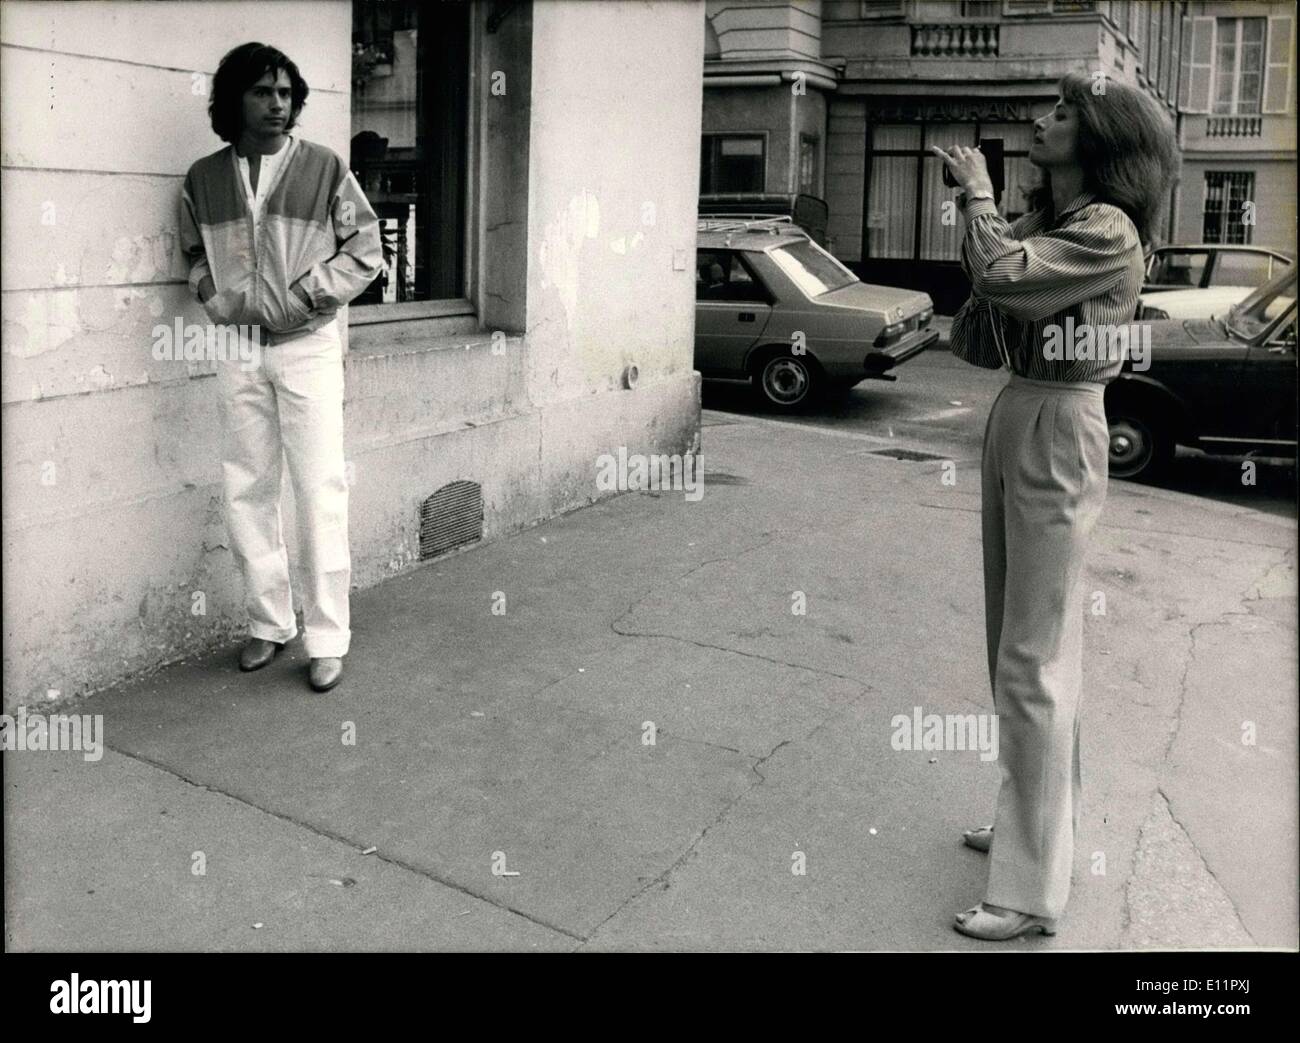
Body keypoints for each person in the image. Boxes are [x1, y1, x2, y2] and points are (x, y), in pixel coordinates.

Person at [932, 72, 1178, 941]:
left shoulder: (1108, 229)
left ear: (1103, 138)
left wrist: (981, 206)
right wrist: (993, 231)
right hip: (1020, 407)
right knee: (1019, 642)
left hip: (1059, 420)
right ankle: (1033, 824)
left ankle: (1029, 891)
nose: (1044, 120)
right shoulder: (1061, 223)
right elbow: (979, 328)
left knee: (1035, 656)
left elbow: (1000, 275)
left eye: (1066, 112)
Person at [180, 43, 383, 692]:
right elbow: (191, 253)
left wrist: (304, 295)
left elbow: (366, 250)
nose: (278, 104)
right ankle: (269, 623)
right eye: (263, 92)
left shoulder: (324, 168)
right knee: (246, 486)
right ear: (233, 99)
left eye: (286, 94)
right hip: (237, 348)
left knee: (319, 486)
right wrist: (214, 297)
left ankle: (327, 636)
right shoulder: (203, 179)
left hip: (307, 346)